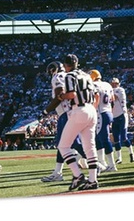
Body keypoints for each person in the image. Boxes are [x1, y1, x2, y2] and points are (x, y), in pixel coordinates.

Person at [43, 54, 100, 191]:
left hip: (78, 110)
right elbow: (96, 94)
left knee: (63, 146)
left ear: (66, 65)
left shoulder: (69, 76)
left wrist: (62, 96)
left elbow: (71, 94)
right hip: (91, 110)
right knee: (90, 147)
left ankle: (78, 175)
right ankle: (92, 180)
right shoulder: (87, 75)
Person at [39, 61, 88, 183]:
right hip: (74, 111)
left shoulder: (58, 77)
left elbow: (59, 96)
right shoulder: (69, 76)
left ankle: (96, 163)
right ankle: (57, 172)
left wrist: (46, 110)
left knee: (69, 143)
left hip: (66, 113)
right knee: (64, 144)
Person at [89, 70, 117, 172]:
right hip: (108, 112)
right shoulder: (107, 85)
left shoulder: (93, 85)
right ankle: (102, 162)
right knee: (99, 139)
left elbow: (95, 99)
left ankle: (112, 165)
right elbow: (113, 99)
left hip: (100, 113)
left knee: (104, 139)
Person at [110, 77, 134, 164]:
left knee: (124, 137)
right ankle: (119, 158)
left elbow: (114, 97)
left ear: (118, 84)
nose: (114, 85)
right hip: (114, 117)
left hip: (122, 115)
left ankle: (131, 153)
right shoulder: (110, 90)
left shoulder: (120, 90)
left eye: (115, 83)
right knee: (116, 138)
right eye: (112, 84)